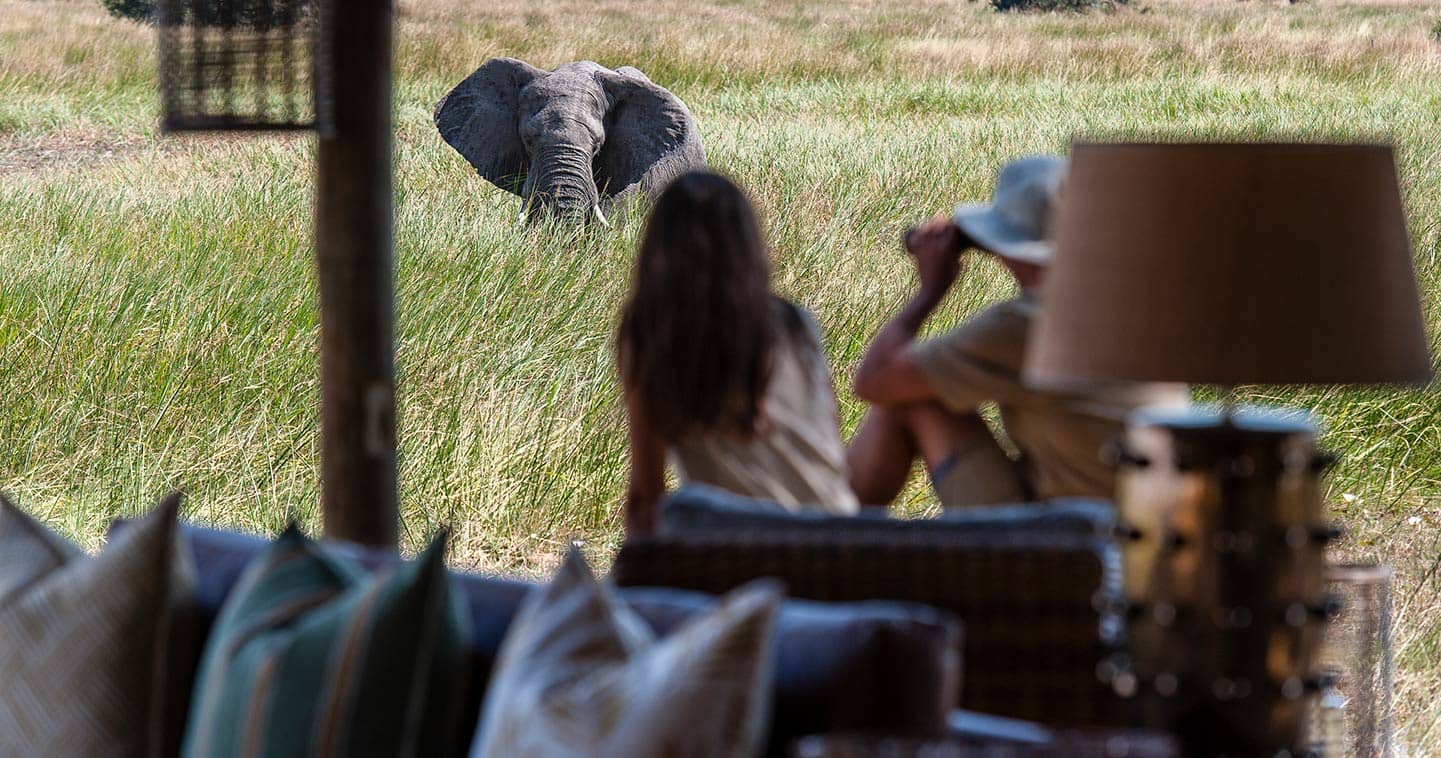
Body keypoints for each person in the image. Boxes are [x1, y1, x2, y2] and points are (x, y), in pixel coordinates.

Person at [847, 155, 1188, 508]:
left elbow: (876, 380)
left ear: (1003, 246)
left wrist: (929, 291)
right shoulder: (1131, 304)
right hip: (1147, 531)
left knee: (909, 397)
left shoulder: (1030, 325)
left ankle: (824, 537)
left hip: (1071, 538)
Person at [618, 172, 860, 537]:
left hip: (741, 550)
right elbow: (832, 444)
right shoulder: (796, 323)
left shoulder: (651, 332)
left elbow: (646, 496)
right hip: (840, 539)